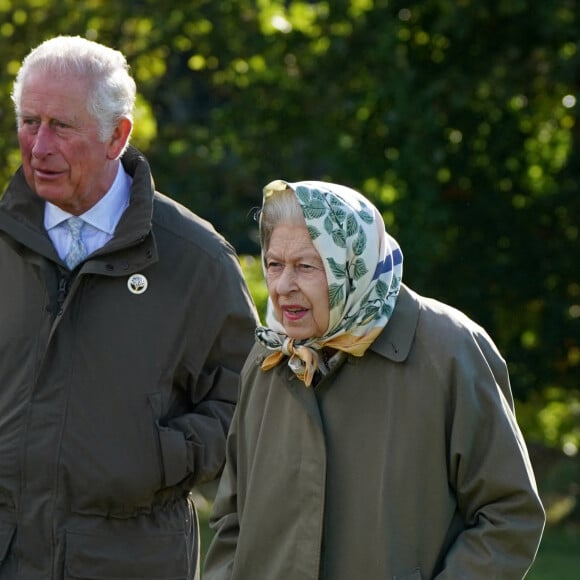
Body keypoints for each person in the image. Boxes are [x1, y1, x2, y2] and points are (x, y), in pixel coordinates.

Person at [0, 35, 258, 579]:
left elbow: (248, 399)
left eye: (61, 127)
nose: (39, 145)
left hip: (130, 560)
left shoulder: (196, 260)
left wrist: (156, 457)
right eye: (29, 121)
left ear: (117, 136)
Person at [203, 179, 545, 580]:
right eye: (275, 264)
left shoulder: (450, 351)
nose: (281, 286)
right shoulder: (269, 355)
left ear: (351, 264)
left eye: (306, 266)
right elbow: (232, 518)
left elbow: (508, 514)